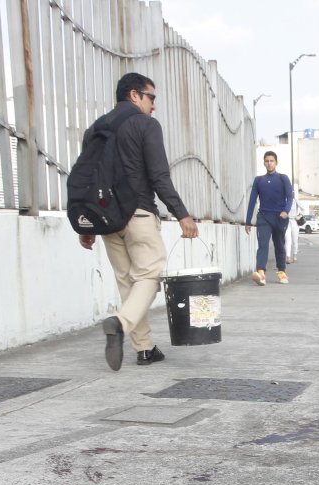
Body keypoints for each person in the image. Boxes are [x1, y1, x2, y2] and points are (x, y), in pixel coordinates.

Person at [78, 72, 198, 371]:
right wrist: (182, 213)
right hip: (139, 213)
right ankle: (119, 322)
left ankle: (144, 349)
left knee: (128, 282)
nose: (154, 105)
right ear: (134, 95)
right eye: (151, 97)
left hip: (106, 219)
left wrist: (85, 224)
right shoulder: (145, 125)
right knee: (150, 274)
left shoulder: (94, 130)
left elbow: (84, 179)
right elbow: (159, 175)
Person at [244, 151, 294, 285]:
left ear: (276, 163)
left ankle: (282, 272)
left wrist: (286, 211)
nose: (269, 163)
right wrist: (248, 221)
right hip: (264, 217)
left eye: (272, 160)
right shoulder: (259, 180)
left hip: (279, 217)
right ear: (263, 163)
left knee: (279, 244)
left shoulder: (283, 178)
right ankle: (261, 273)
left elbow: (290, 196)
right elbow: (252, 201)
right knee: (263, 245)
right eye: (267, 161)